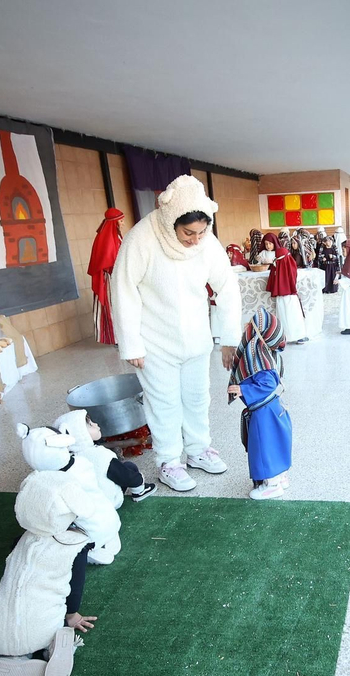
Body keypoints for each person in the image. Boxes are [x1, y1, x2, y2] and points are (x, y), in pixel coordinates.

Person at [109, 174, 240, 494]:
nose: (196, 239)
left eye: (201, 231)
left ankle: (197, 450)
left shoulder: (207, 242)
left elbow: (227, 288)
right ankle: (169, 462)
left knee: (197, 399)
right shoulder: (142, 238)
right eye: (188, 233)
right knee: (163, 402)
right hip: (154, 342)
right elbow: (122, 289)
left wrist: (229, 339)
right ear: (171, 222)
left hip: (196, 338)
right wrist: (131, 344)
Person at [0, 467, 98, 676]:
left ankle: (6, 659)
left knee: (10, 615)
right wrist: (71, 614)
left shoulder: (23, 539)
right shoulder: (73, 544)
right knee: (51, 620)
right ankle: (55, 647)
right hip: (39, 628)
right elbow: (75, 586)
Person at [226, 307, 294, 500]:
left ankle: (271, 485)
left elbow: (268, 382)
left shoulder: (259, 357)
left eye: (251, 325)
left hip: (264, 412)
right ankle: (281, 477)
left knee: (264, 446)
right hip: (274, 408)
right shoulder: (267, 354)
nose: (247, 327)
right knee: (277, 443)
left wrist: (244, 390)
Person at [53, 409, 155, 504]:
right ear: (79, 433)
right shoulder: (99, 455)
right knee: (128, 467)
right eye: (90, 425)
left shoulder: (67, 458)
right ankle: (140, 491)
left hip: (85, 502)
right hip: (109, 500)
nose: (96, 424)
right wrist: (138, 480)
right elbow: (123, 474)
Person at [87, 208, 126, 345]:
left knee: (121, 307)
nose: (123, 223)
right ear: (114, 222)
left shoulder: (115, 236)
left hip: (117, 277)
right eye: (121, 221)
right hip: (109, 279)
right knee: (113, 307)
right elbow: (108, 261)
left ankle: (122, 336)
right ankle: (115, 338)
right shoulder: (107, 238)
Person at [267, 231, 307, 345]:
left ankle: (285, 337)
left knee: (284, 316)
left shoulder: (278, 265)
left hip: (283, 296)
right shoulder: (288, 263)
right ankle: (297, 336)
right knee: (293, 316)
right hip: (289, 296)